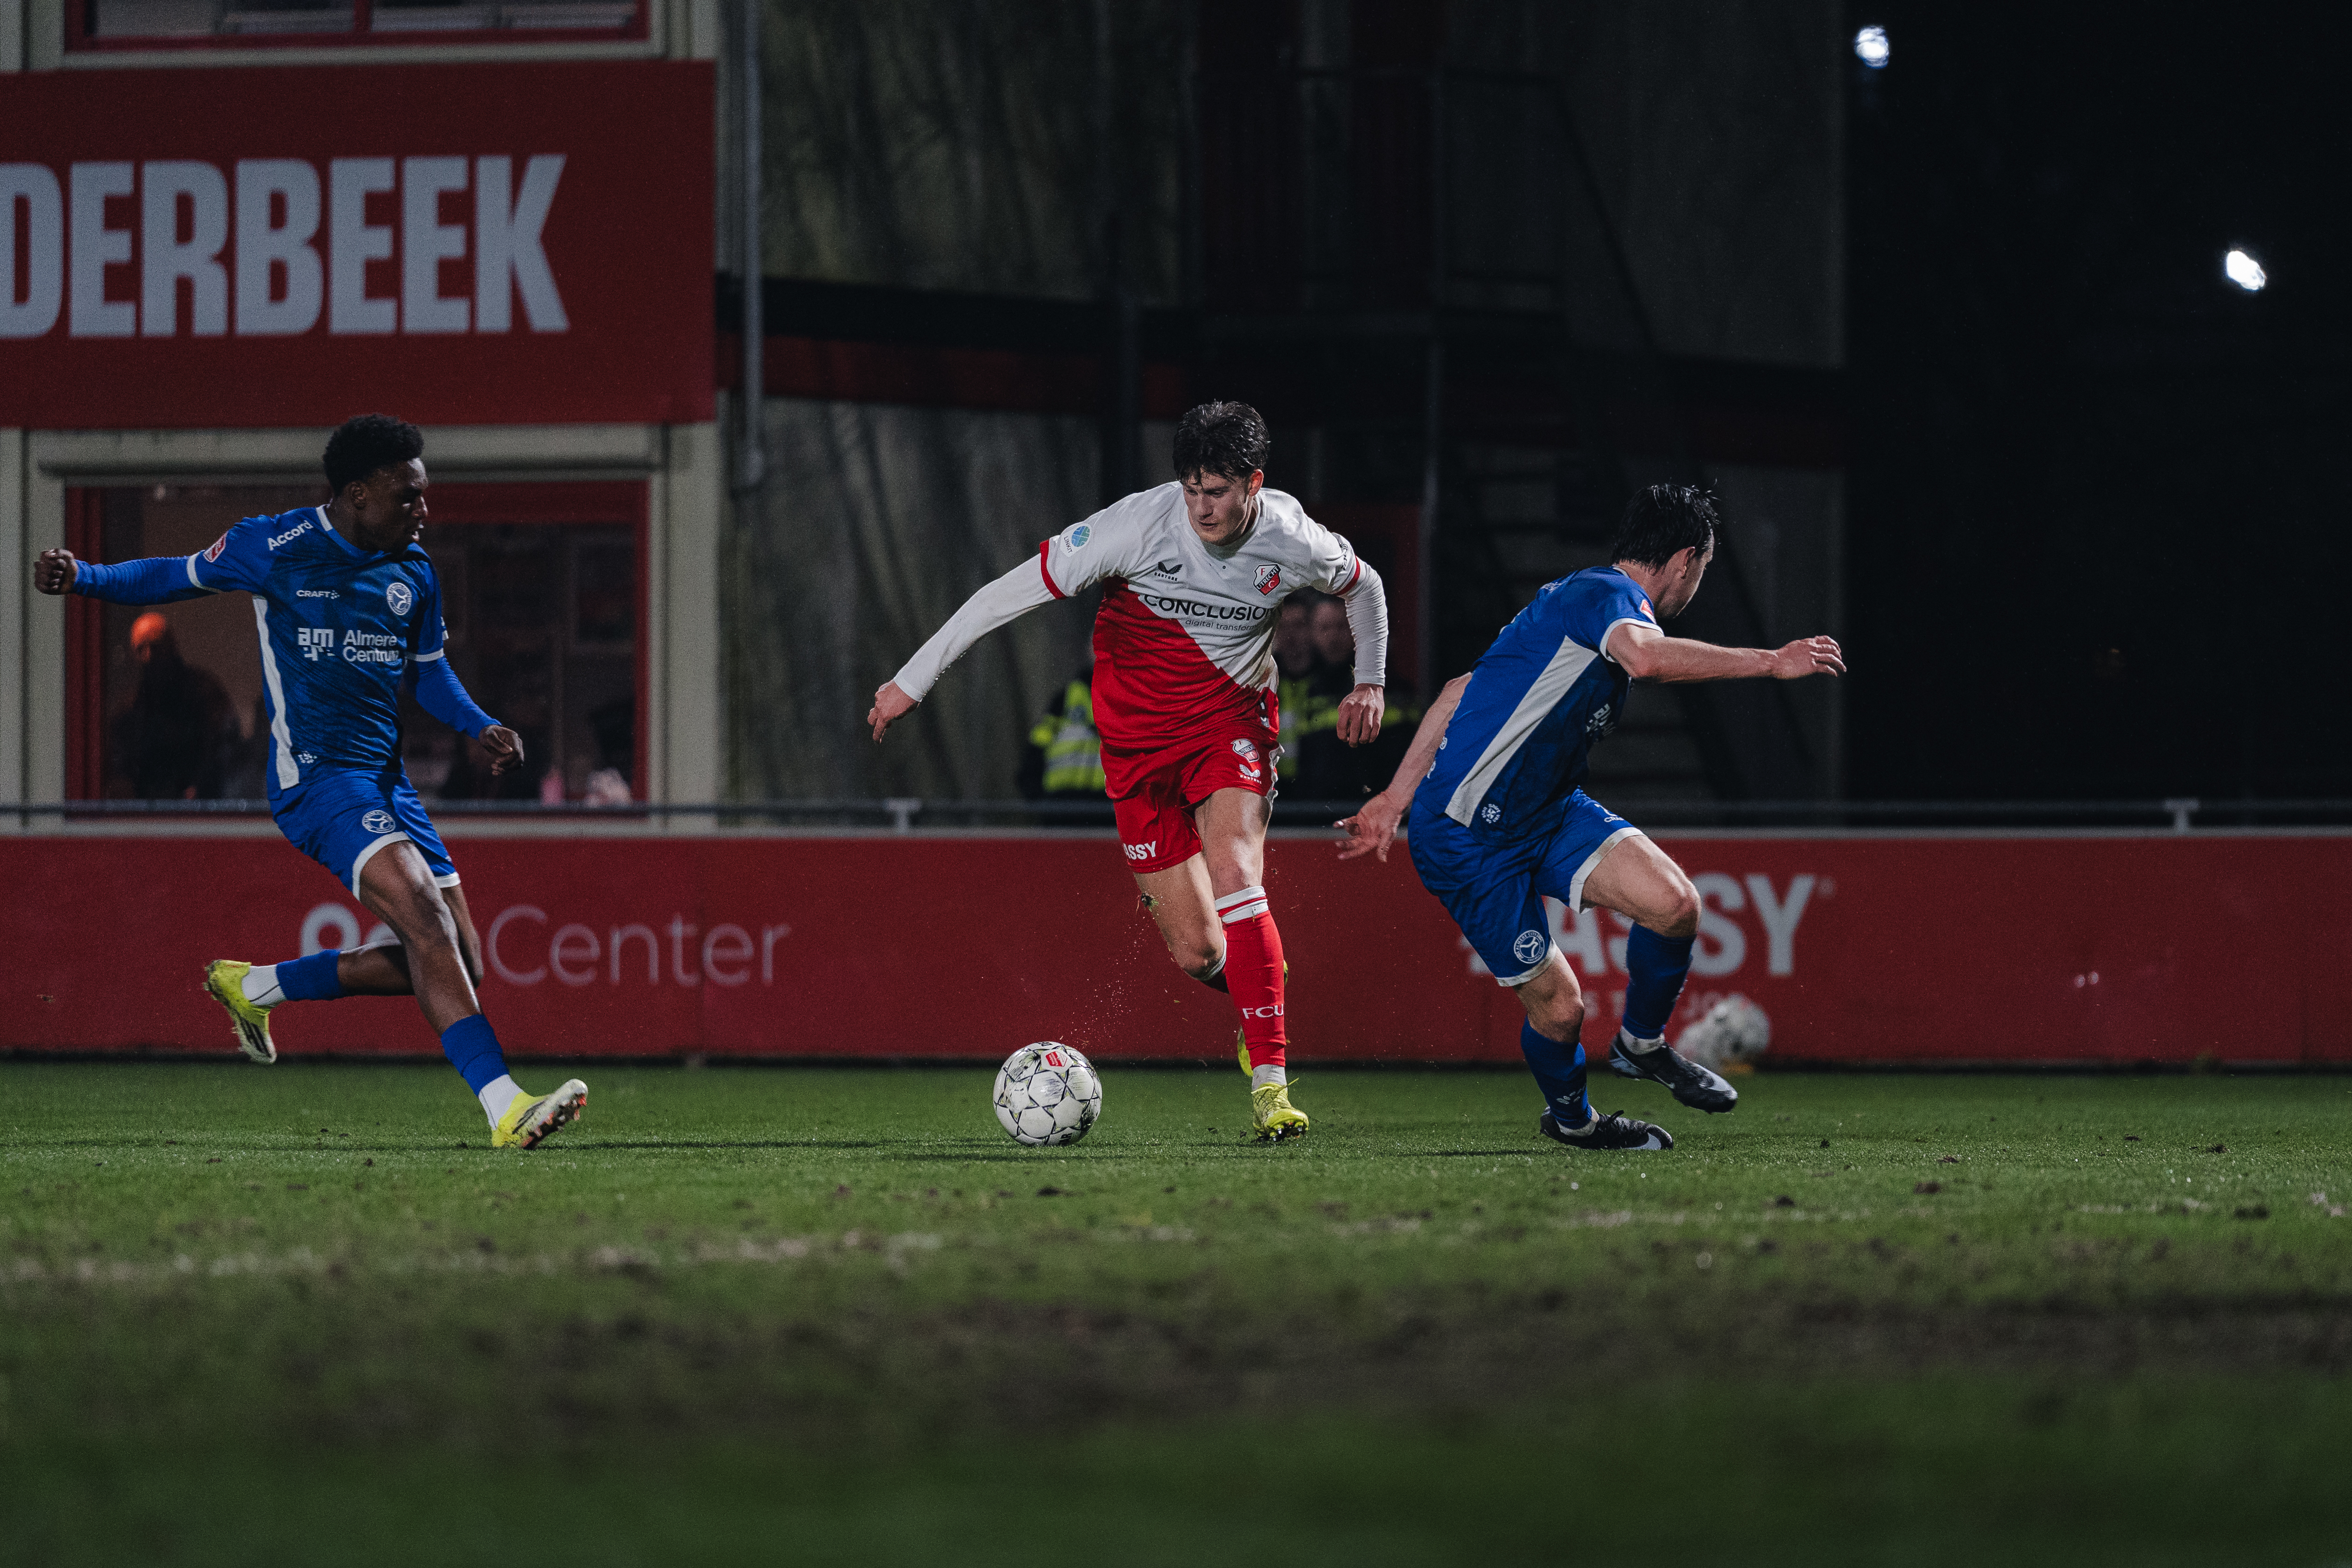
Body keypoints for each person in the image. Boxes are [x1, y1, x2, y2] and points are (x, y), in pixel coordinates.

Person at [35, 414, 586, 1151]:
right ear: (357, 494)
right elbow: (174, 573)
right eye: (408, 496)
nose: (423, 510)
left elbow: (429, 675)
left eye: (424, 495)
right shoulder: (274, 545)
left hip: (388, 787)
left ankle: (255, 985)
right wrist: (85, 578)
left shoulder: (413, 571)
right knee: (425, 918)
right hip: (318, 782)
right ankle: (506, 1107)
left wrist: (478, 723)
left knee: (462, 960)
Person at [869, 401, 1390, 1140]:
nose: (1202, 507)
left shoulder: (1292, 537)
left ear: (1254, 483)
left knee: (1240, 873)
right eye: (1191, 489)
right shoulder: (1133, 526)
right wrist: (912, 680)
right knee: (1199, 950)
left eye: (1218, 491)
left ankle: (1272, 1087)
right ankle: (1252, 987)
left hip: (1229, 725)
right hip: (1135, 751)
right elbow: (1002, 596)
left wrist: (1366, 680)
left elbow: (1363, 586)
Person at [1338, 483, 1843, 1152]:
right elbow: (1645, 657)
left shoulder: (1570, 603)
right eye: (1703, 571)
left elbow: (1462, 690)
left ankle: (1640, 1044)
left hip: (1546, 810)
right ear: (1686, 560)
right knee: (1562, 1008)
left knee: (1675, 905)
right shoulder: (1608, 599)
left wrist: (1391, 795)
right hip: (1467, 838)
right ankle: (1574, 1120)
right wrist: (1771, 661)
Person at [112, 612, 240, 800]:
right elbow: (123, 766)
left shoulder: (205, 692)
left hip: (201, 809)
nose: (149, 656)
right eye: (141, 649)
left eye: (156, 647)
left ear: (171, 646)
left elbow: (226, 747)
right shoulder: (130, 708)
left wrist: (200, 786)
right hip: (146, 811)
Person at [1018, 648, 1108, 801]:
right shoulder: (1066, 698)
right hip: (1062, 808)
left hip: (1108, 810)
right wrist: (1036, 797)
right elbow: (1038, 745)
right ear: (1089, 651)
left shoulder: (1130, 697)